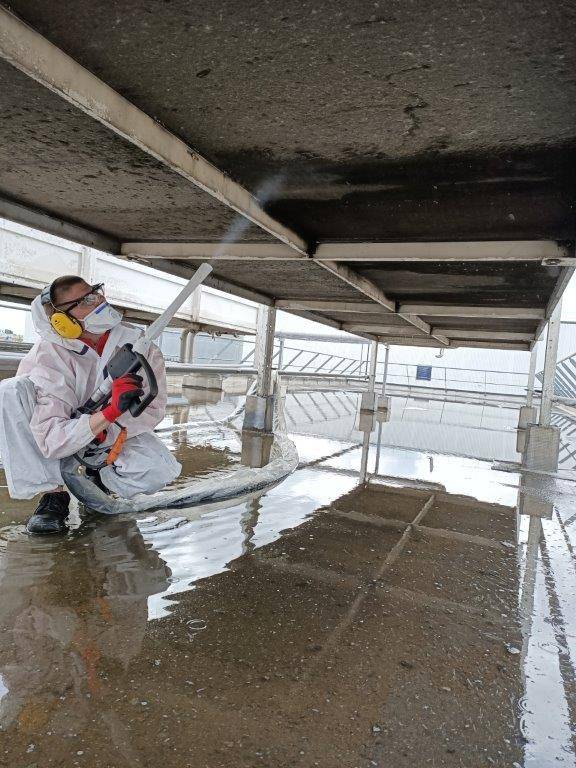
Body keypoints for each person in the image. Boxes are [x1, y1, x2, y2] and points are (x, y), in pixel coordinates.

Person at [0, 275, 181, 534]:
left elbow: (154, 408)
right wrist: (107, 413)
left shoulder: (138, 344)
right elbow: (52, 439)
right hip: (60, 432)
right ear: (62, 322)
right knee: (10, 390)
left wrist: (112, 426)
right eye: (87, 300)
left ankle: (99, 478)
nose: (100, 301)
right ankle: (53, 495)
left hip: (112, 433)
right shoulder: (49, 354)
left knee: (156, 471)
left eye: (96, 292)